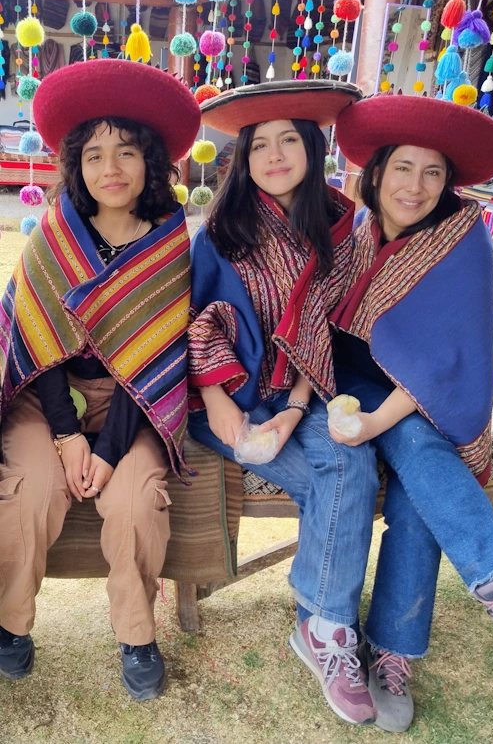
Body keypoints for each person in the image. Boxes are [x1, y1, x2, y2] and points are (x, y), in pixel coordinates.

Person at [329, 94, 493, 732]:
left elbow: (445, 359)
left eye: (433, 172)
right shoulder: (357, 230)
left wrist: (377, 423)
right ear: (377, 171)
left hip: (424, 397)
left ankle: (417, 642)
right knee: (421, 470)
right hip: (347, 380)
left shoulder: (461, 237)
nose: (417, 187)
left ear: (448, 183)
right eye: (404, 168)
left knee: (417, 473)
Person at [0, 59, 201, 701]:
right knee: (29, 491)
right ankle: (11, 626)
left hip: (131, 405)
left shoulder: (171, 242)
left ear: (152, 162)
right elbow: (36, 338)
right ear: (76, 166)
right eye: (93, 155)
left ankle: (138, 636)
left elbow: (155, 358)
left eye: (125, 151)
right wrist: (65, 437)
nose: (109, 168)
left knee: (136, 502)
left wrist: (110, 451)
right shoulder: (57, 232)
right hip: (48, 394)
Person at [187, 80, 380, 726]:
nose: (273, 156)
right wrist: (223, 409)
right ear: (242, 159)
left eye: (287, 141)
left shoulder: (342, 227)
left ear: (311, 146)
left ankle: (321, 629)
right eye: (258, 145)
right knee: (340, 481)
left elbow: (320, 329)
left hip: (305, 389)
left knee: (349, 461)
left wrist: (298, 408)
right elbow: (201, 323)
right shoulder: (223, 229)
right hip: (232, 394)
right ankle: (331, 625)